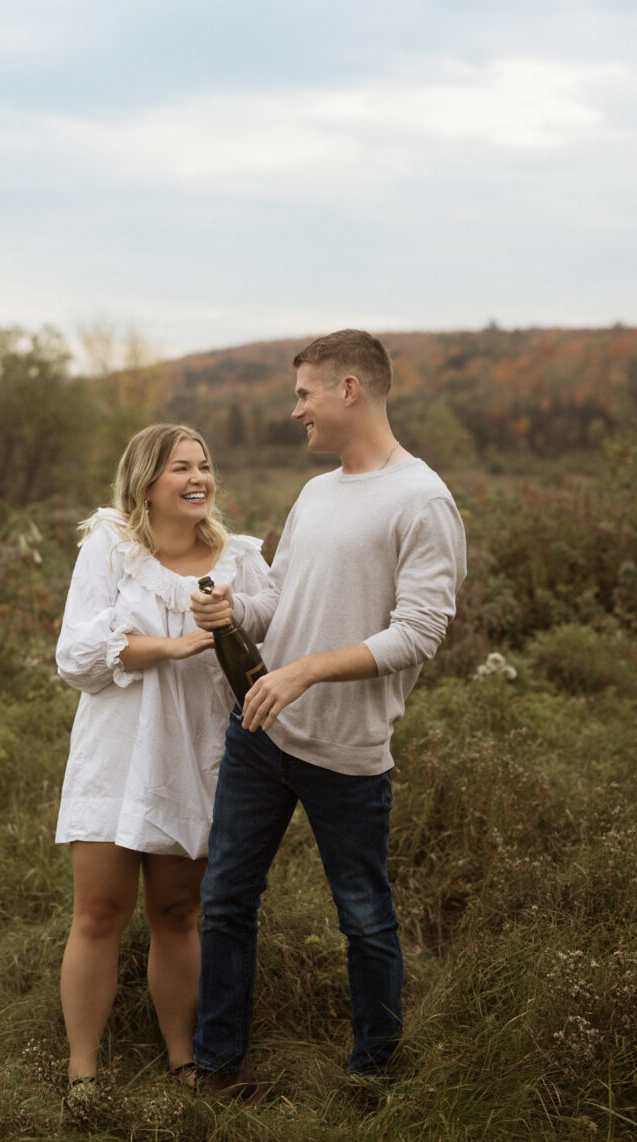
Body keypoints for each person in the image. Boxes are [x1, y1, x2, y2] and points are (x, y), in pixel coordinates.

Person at [189, 330, 467, 1099]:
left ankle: (372, 1072)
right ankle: (217, 1068)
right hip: (262, 734)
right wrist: (231, 609)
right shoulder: (316, 491)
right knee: (227, 899)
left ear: (350, 389)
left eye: (305, 393)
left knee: (364, 917)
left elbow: (419, 632)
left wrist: (306, 669)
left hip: (346, 751)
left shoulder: (423, 501)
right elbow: (281, 598)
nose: (294, 410)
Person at [54, 423, 268, 1104]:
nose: (199, 478)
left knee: (177, 912)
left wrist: (230, 622)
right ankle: (82, 1071)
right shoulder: (110, 550)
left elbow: (272, 644)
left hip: (194, 757)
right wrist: (168, 648)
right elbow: (77, 659)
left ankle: (185, 1062)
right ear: (147, 481)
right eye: (181, 467)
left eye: (205, 465)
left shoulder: (240, 562)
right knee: (99, 911)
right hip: (116, 755)